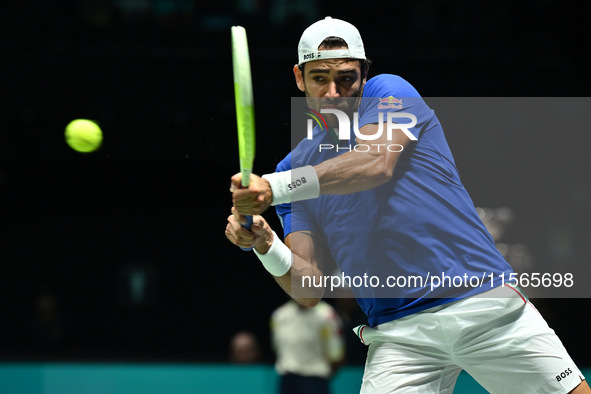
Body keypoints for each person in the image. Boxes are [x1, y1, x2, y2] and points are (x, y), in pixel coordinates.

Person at [225, 16, 590, 393]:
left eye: (346, 77)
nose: (333, 92)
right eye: (320, 78)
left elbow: (375, 163)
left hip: (482, 304)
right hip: (399, 336)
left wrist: (275, 188)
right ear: (300, 78)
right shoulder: (294, 167)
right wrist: (265, 245)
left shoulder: (390, 91)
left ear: (365, 75)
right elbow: (309, 289)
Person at [270, 299, 345, 394]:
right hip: (287, 381)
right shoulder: (280, 315)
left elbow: (336, 356)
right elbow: (276, 348)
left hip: (315, 381)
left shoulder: (327, 315)